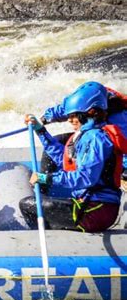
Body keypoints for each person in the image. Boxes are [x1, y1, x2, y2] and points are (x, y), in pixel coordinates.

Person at [20, 84, 127, 232]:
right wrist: (41, 130)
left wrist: (47, 178)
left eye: (73, 115)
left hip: (96, 210)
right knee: (39, 207)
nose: (69, 120)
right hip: (89, 205)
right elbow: (64, 161)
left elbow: (86, 178)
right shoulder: (87, 135)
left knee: (27, 204)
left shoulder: (97, 139)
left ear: (90, 112)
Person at [41, 82, 127, 178]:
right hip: (93, 136)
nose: (70, 120)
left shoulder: (119, 117)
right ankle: (44, 184)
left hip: (109, 148)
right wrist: (45, 118)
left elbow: (122, 144)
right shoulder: (90, 97)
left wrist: (123, 168)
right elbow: (67, 108)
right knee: (57, 140)